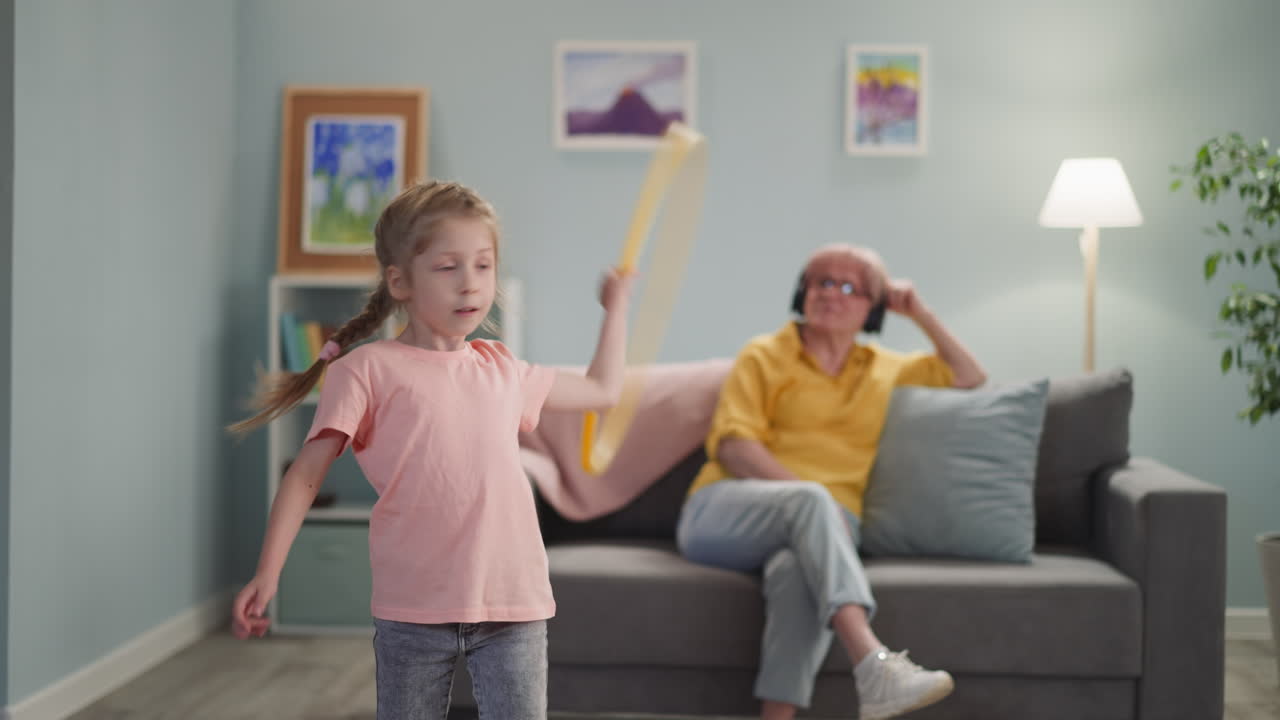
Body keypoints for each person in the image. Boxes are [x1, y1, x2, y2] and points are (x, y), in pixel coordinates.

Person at [227, 180, 633, 720]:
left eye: (483, 266)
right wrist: (267, 572)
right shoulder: (366, 372)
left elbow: (602, 390)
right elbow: (304, 477)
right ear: (400, 281)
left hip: (513, 606)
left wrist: (615, 310)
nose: (470, 284)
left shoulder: (502, 368)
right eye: (449, 267)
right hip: (412, 613)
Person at [678, 243, 986, 720]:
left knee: (795, 575)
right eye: (820, 281)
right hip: (724, 512)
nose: (829, 293)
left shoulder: (887, 368)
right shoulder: (765, 354)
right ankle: (873, 662)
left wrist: (919, 312)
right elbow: (734, 447)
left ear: (874, 308)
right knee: (813, 503)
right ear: (802, 292)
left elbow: (970, 377)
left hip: (826, 528)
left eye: (848, 286)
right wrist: (811, 503)